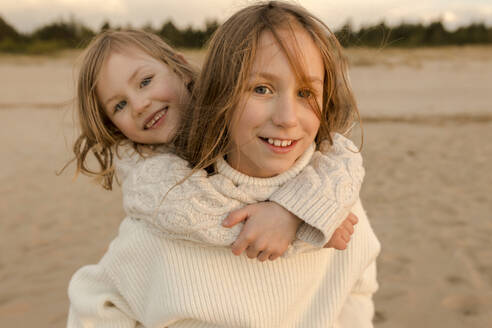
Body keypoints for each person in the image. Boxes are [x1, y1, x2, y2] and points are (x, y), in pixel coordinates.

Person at [67, 2, 379, 327]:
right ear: (223, 94)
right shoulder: (158, 203)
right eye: (261, 89)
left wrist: (302, 210)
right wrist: (301, 223)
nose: (140, 104)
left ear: (181, 68)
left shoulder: (335, 193)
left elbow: (357, 288)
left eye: (145, 82)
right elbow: (98, 302)